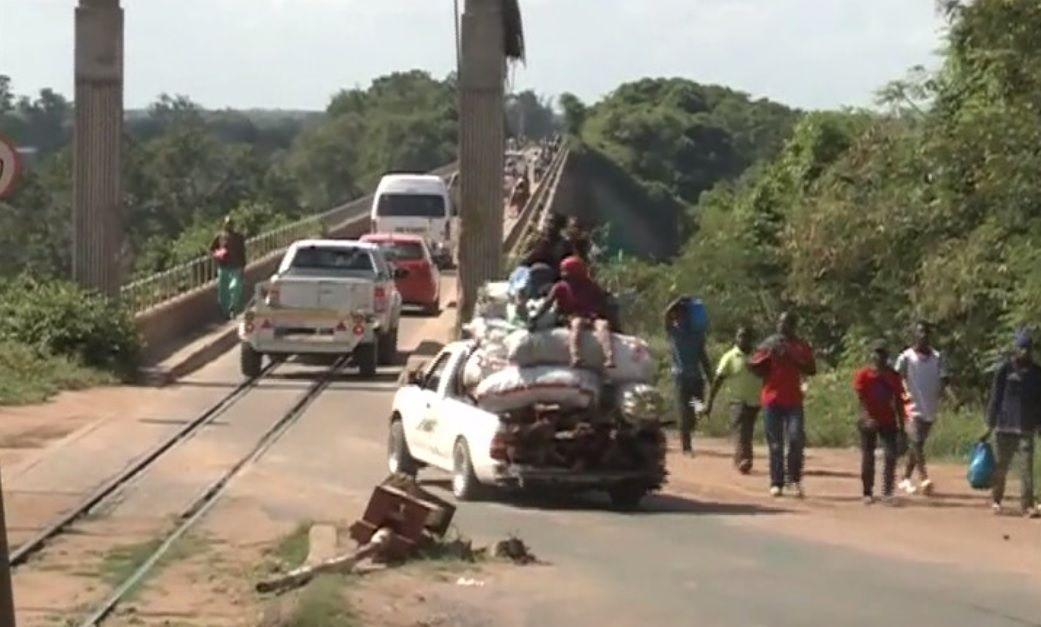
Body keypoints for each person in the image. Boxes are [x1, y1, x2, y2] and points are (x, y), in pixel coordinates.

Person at [749, 311, 816, 498]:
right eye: (779, 322)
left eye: (785, 323)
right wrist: (765, 359)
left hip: (793, 400)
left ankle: (793, 479)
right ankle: (776, 482)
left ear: (793, 326)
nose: (781, 326)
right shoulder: (769, 343)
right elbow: (753, 365)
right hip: (772, 399)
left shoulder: (800, 346)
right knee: (776, 444)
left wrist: (791, 357)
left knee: (795, 439)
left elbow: (812, 369)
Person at [981, 331, 1041, 518]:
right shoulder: (1004, 370)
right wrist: (989, 423)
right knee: (1001, 467)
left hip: (1026, 427)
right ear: (1015, 349)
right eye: (1021, 348)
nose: (1024, 352)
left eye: (1027, 348)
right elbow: (995, 397)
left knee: (1026, 469)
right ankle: (996, 499)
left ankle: (1027, 506)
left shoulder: (1037, 373)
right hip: (1004, 425)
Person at [528, 256, 614, 370]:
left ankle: (609, 357)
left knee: (603, 325)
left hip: (592, 316)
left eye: (567, 271)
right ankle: (575, 356)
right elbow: (547, 303)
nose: (564, 274)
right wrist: (536, 317)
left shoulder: (591, 285)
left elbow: (603, 303)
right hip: (572, 316)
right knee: (577, 324)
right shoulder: (560, 287)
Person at [894, 321, 949, 496]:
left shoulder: (937, 357)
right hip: (910, 406)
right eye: (920, 332)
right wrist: (901, 398)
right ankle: (924, 478)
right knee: (916, 441)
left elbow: (944, 379)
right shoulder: (906, 358)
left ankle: (904, 478)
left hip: (929, 407)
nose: (923, 335)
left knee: (917, 445)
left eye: (926, 332)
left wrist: (946, 395)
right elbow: (896, 378)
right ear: (914, 335)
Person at [853, 341, 905, 505]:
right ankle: (867, 492)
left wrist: (902, 427)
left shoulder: (893, 376)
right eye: (876, 353)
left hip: (888, 419)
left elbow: (898, 402)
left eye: (882, 354)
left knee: (890, 456)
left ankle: (887, 492)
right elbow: (860, 400)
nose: (879, 357)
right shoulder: (864, 375)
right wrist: (866, 417)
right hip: (869, 419)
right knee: (868, 456)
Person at [705, 326, 761, 473]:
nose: (743, 339)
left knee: (747, 431)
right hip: (737, 401)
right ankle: (744, 459)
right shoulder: (729, 357)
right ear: (736, 339)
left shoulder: (758, 357)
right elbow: (718, 380)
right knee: (741, 430)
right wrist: (709, 402)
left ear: (751, 339)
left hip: (754, 401)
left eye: (746, 337)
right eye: (740, 336)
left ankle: (740, 458)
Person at [665, 298, 712, 456]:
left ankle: (687, 432)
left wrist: (711, 378)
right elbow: (665, 315)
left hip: (696, 379)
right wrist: (678, 300)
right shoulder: (674, 332)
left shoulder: (696, 335)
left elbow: (703, 357)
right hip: (681, 378)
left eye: (682, 313)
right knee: (684, 412)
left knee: (696, 409)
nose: (679, 317)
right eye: (678, 314)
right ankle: (686, 446)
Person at [209, 216, 246, 319]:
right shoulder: (219, 237)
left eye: (230, 224)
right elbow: (212, 250)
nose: (229, 226)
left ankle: (233, 308)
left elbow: (242, 252)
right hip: (224, 267)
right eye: (227, 224)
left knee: (235, 288)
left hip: (236, 266)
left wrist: (243, 267)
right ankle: (225, 312)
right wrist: (218, 254)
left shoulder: (239, 237)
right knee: (223, 291)